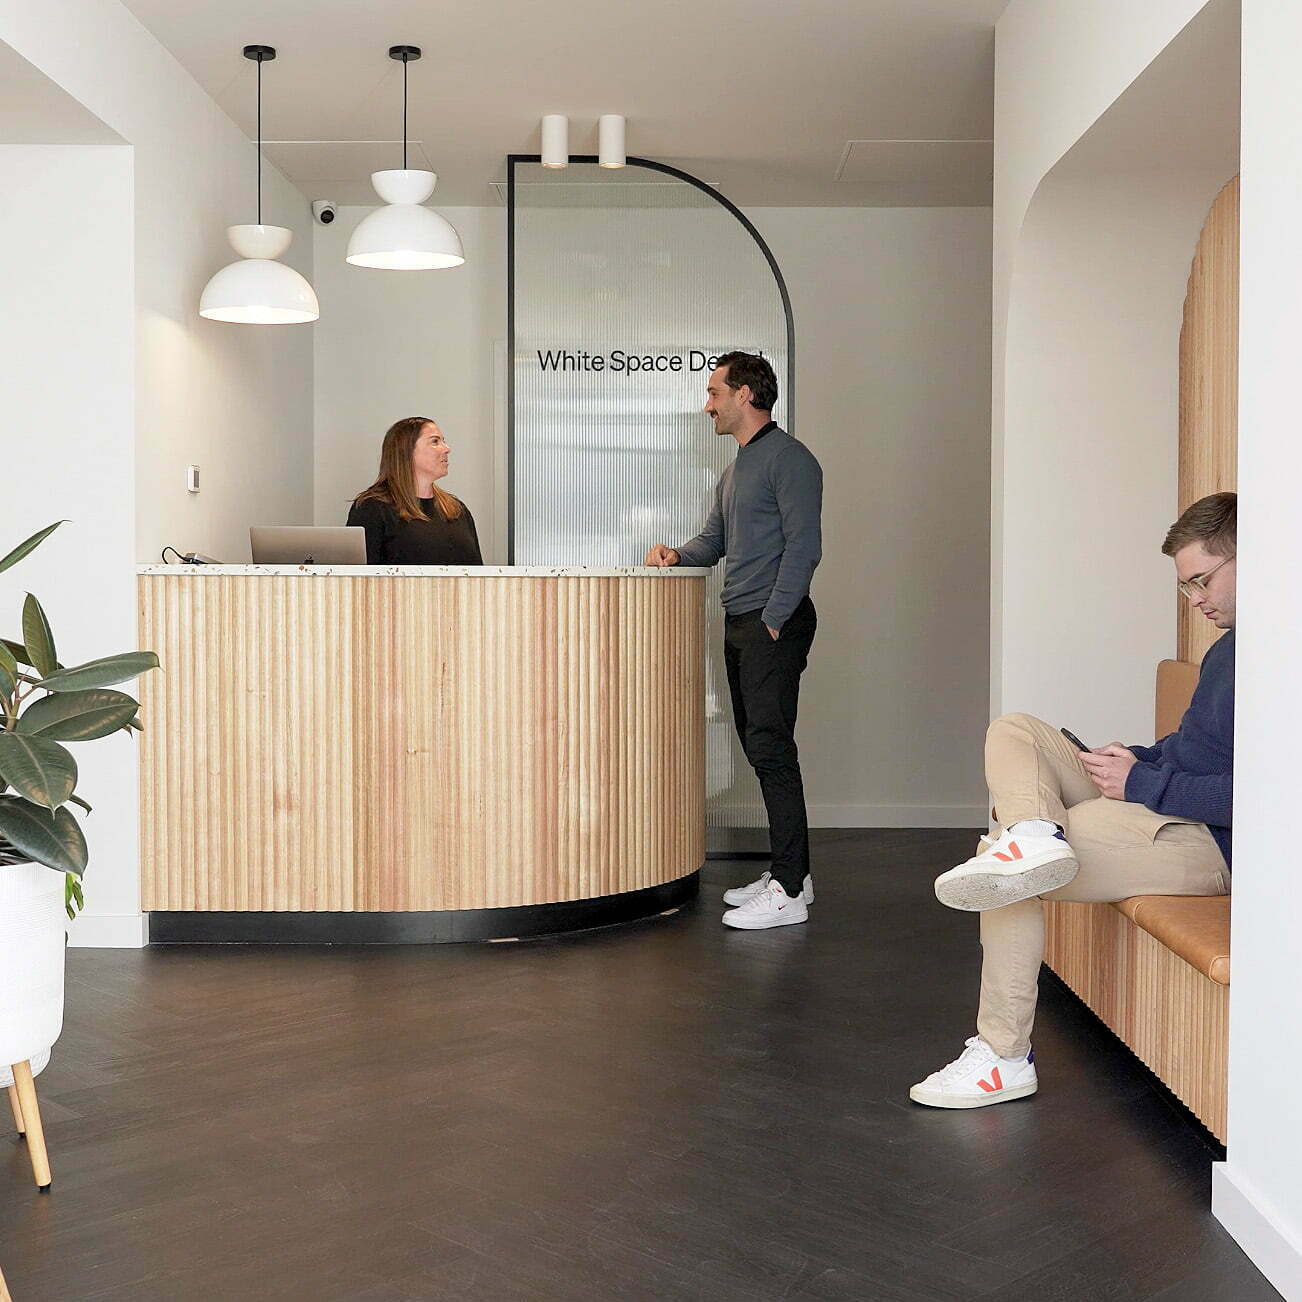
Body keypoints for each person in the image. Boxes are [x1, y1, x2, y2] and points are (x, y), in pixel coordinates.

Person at [911, 492, 1236, 1108]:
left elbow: (1267, 797)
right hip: (1162, 800)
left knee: (998, 867)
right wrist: (1140, 759)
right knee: (1016, 729)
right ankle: (1035, 833)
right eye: (1185, 586)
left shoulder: (1281, 659)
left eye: (1201, 580)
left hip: (1206, 842)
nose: (1194, 600)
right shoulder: (1228, 650)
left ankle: (1003, 1058)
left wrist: (1142, 783)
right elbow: (1199, 748)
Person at [645, 351, 823, 930]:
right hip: (743, 621)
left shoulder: (790, 460)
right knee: (758, 745)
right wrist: (677, 556)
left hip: (772, 623)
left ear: (745, 394)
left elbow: (804, 548)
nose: (708, 405)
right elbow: (713, 540)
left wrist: (773, 616)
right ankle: (790, 873)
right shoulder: (736, 468)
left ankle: (792, 890)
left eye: (715, 392)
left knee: (772, 749)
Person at [347, 417, 483, 565]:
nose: (447, 448)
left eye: (443, 441)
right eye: (435, 441)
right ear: (407, 451)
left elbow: (478, 575)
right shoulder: (372, 509)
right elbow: (358, 580)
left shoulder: (456, 510)